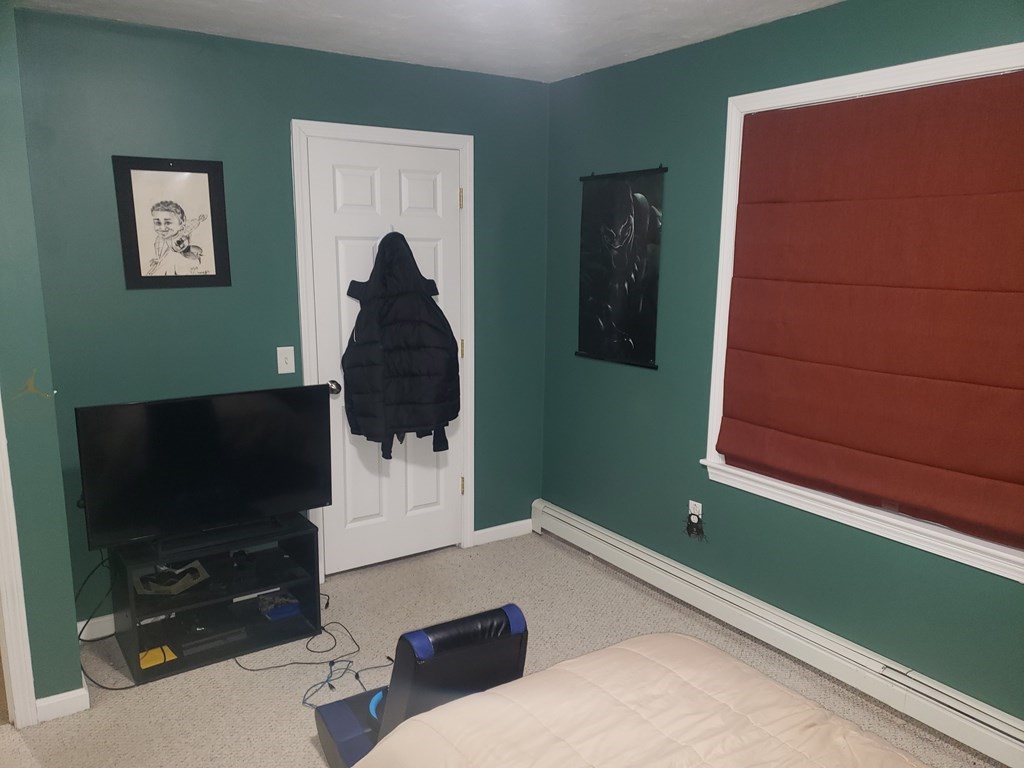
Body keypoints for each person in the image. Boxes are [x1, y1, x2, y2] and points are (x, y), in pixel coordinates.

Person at [147, 200, 208, 276]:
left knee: (199, 251)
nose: (162, 228)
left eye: (168, 223)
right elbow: (158, 250)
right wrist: (157, 259)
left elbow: (192, 225)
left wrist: (199, 219)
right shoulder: (160, 240)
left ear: (181, 223)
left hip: (184, 249)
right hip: (174, 253)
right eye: (158, 223)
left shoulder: (183, 230)